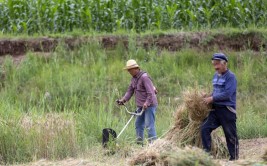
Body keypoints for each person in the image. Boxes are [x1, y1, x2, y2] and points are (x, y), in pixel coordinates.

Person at [201, 53, 239, 161]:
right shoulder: (215, 75)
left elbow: (228, 93)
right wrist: (209, 95)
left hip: (227, 110)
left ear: (225, 64)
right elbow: (216, 91)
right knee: (204, 128)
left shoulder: (231, 77)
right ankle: (207, 157)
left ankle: (234, 159)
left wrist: (212, 99)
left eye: (217, 64)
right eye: (214, 64)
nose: (215, 67)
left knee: (230, 135)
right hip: (215, 109)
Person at [117, 59, 158, 144]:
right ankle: (139, 144)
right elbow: (130, 91)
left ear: (135, 68)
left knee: (149, 126)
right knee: (138, 125)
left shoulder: (144, 77)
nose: (128, 71)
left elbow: (151, 93)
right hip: (141, 106)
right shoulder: (134, 79)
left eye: (129, 70)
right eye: (128, 70)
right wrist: (123, 100)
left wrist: (146, 103)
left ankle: (153, 146)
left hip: (149, 105)